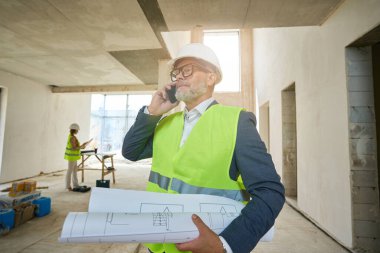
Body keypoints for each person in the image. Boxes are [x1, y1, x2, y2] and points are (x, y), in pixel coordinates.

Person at [122, 43, 285, 253]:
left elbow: (270, 192)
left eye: (187, 70)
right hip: (157, 245)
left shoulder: (236, 122)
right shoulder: (166, 123)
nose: (179, 77)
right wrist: (153, 111)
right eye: (176, 73)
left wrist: (226, 244)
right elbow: (131, 151)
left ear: (211, 77)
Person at [64, 123, 91, 191]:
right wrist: (82, 146)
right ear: (75, 130)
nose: (78, 131)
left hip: (74, 157)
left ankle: (76, 185)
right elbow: (73, 148)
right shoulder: (72, 137)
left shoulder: (72, 136)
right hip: (72, 157)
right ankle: (68, 186)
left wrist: (82, 146)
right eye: (77, 130)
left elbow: (76, 147)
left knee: (74, 171)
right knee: (70, 171)